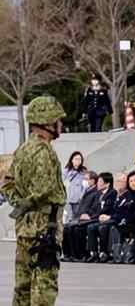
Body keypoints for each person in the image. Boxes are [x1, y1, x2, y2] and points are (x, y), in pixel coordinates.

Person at [1, 96, 67, 306]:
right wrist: (31, 202)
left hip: (24, 227)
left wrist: (20, 204)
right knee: (44, 285)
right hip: (44, 227)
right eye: (58, 119)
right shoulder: (44, 152)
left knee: (23, 285)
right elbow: (45, 189)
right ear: (47, 122)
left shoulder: (23, 149)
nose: (60, 124)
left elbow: (6, 183)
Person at [109, 171, 135, 263]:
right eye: (131, 181)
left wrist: (127, 220)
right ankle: (118, 254)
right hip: (130, 221)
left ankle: (121, 255)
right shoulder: (131, 194)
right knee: (115, 227)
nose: (133, 183)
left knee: (117, 228)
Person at [86, 173, 127, 263]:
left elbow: (112, 210)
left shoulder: (115, 193)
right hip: (108, 217)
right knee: (90, 227)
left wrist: (108, 217)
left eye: (121, 181)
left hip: (116, 219)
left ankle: (104, 253)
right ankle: (94, 253)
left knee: (102, 227)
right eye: (117, 181)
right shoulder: (114, 194)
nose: (118, 183)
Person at [62, 171, 100, 261]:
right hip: (80, 217)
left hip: (89, 218)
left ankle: (80, 254)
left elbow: (95, 207)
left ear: (93, 180)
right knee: (67, 228)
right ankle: (69, 254)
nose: (84, 181)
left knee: (76, 229)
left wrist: (88, 214)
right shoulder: (86, 191)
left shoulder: (96, 193)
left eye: (86, 179)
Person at [81, 172, 117, 262]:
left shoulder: (112, 193)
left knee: (96, 227)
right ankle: (92, 253)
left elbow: (106, 209)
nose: (98, 183)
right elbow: (93, 208)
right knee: (75, 227)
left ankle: (104, 252)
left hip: (105, 219)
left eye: (100, 181)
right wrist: (87, 214)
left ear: (107, 183)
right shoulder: (98, 194)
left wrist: (92, 217)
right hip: (95, 218)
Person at [62, 151, 87, 223]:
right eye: (76, 159)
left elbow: (85, 186)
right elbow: (63, 182)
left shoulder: (83, 171)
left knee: (76, 218)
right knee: (68, 218)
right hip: (68, 198)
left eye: (80, 159)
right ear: (72, 160)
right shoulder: (66, 170)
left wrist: (81, 196)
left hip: (78, 198)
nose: (78, 161)